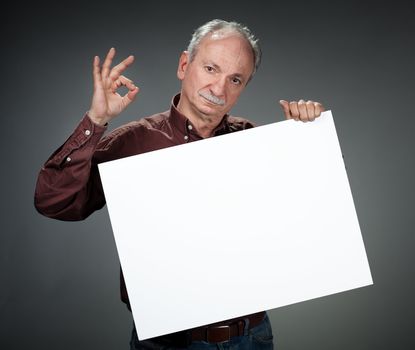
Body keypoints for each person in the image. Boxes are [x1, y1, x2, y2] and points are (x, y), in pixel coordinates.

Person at [34, 19, 324, 349]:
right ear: (184, 65)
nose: (219, 89)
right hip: (167, 343)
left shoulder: (252, 142)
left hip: (252, 337)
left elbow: (303, 222)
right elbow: (53, 202)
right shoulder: (131, 143)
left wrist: (307, 144)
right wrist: (95, 121)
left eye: (235, 79)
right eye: (211, 69)